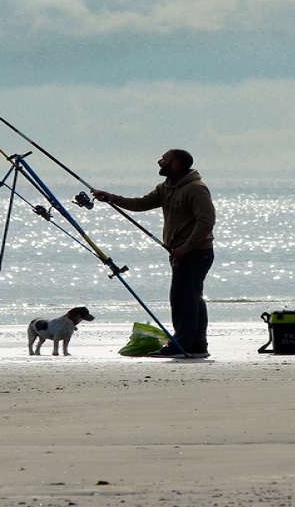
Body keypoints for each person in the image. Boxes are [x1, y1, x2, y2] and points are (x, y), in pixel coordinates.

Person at [92, 149, 216, 359]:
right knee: (192, 298)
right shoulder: (165, 188)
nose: (159, 162)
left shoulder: (196, 189)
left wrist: (186, 247)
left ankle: (184, 344)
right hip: (179, 252)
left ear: (176, 164)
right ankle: (196, 345)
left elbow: (206, 221)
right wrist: (111, 198)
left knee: (184, 299)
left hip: (196, 252)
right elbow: (140, 204)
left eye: (164, 160)